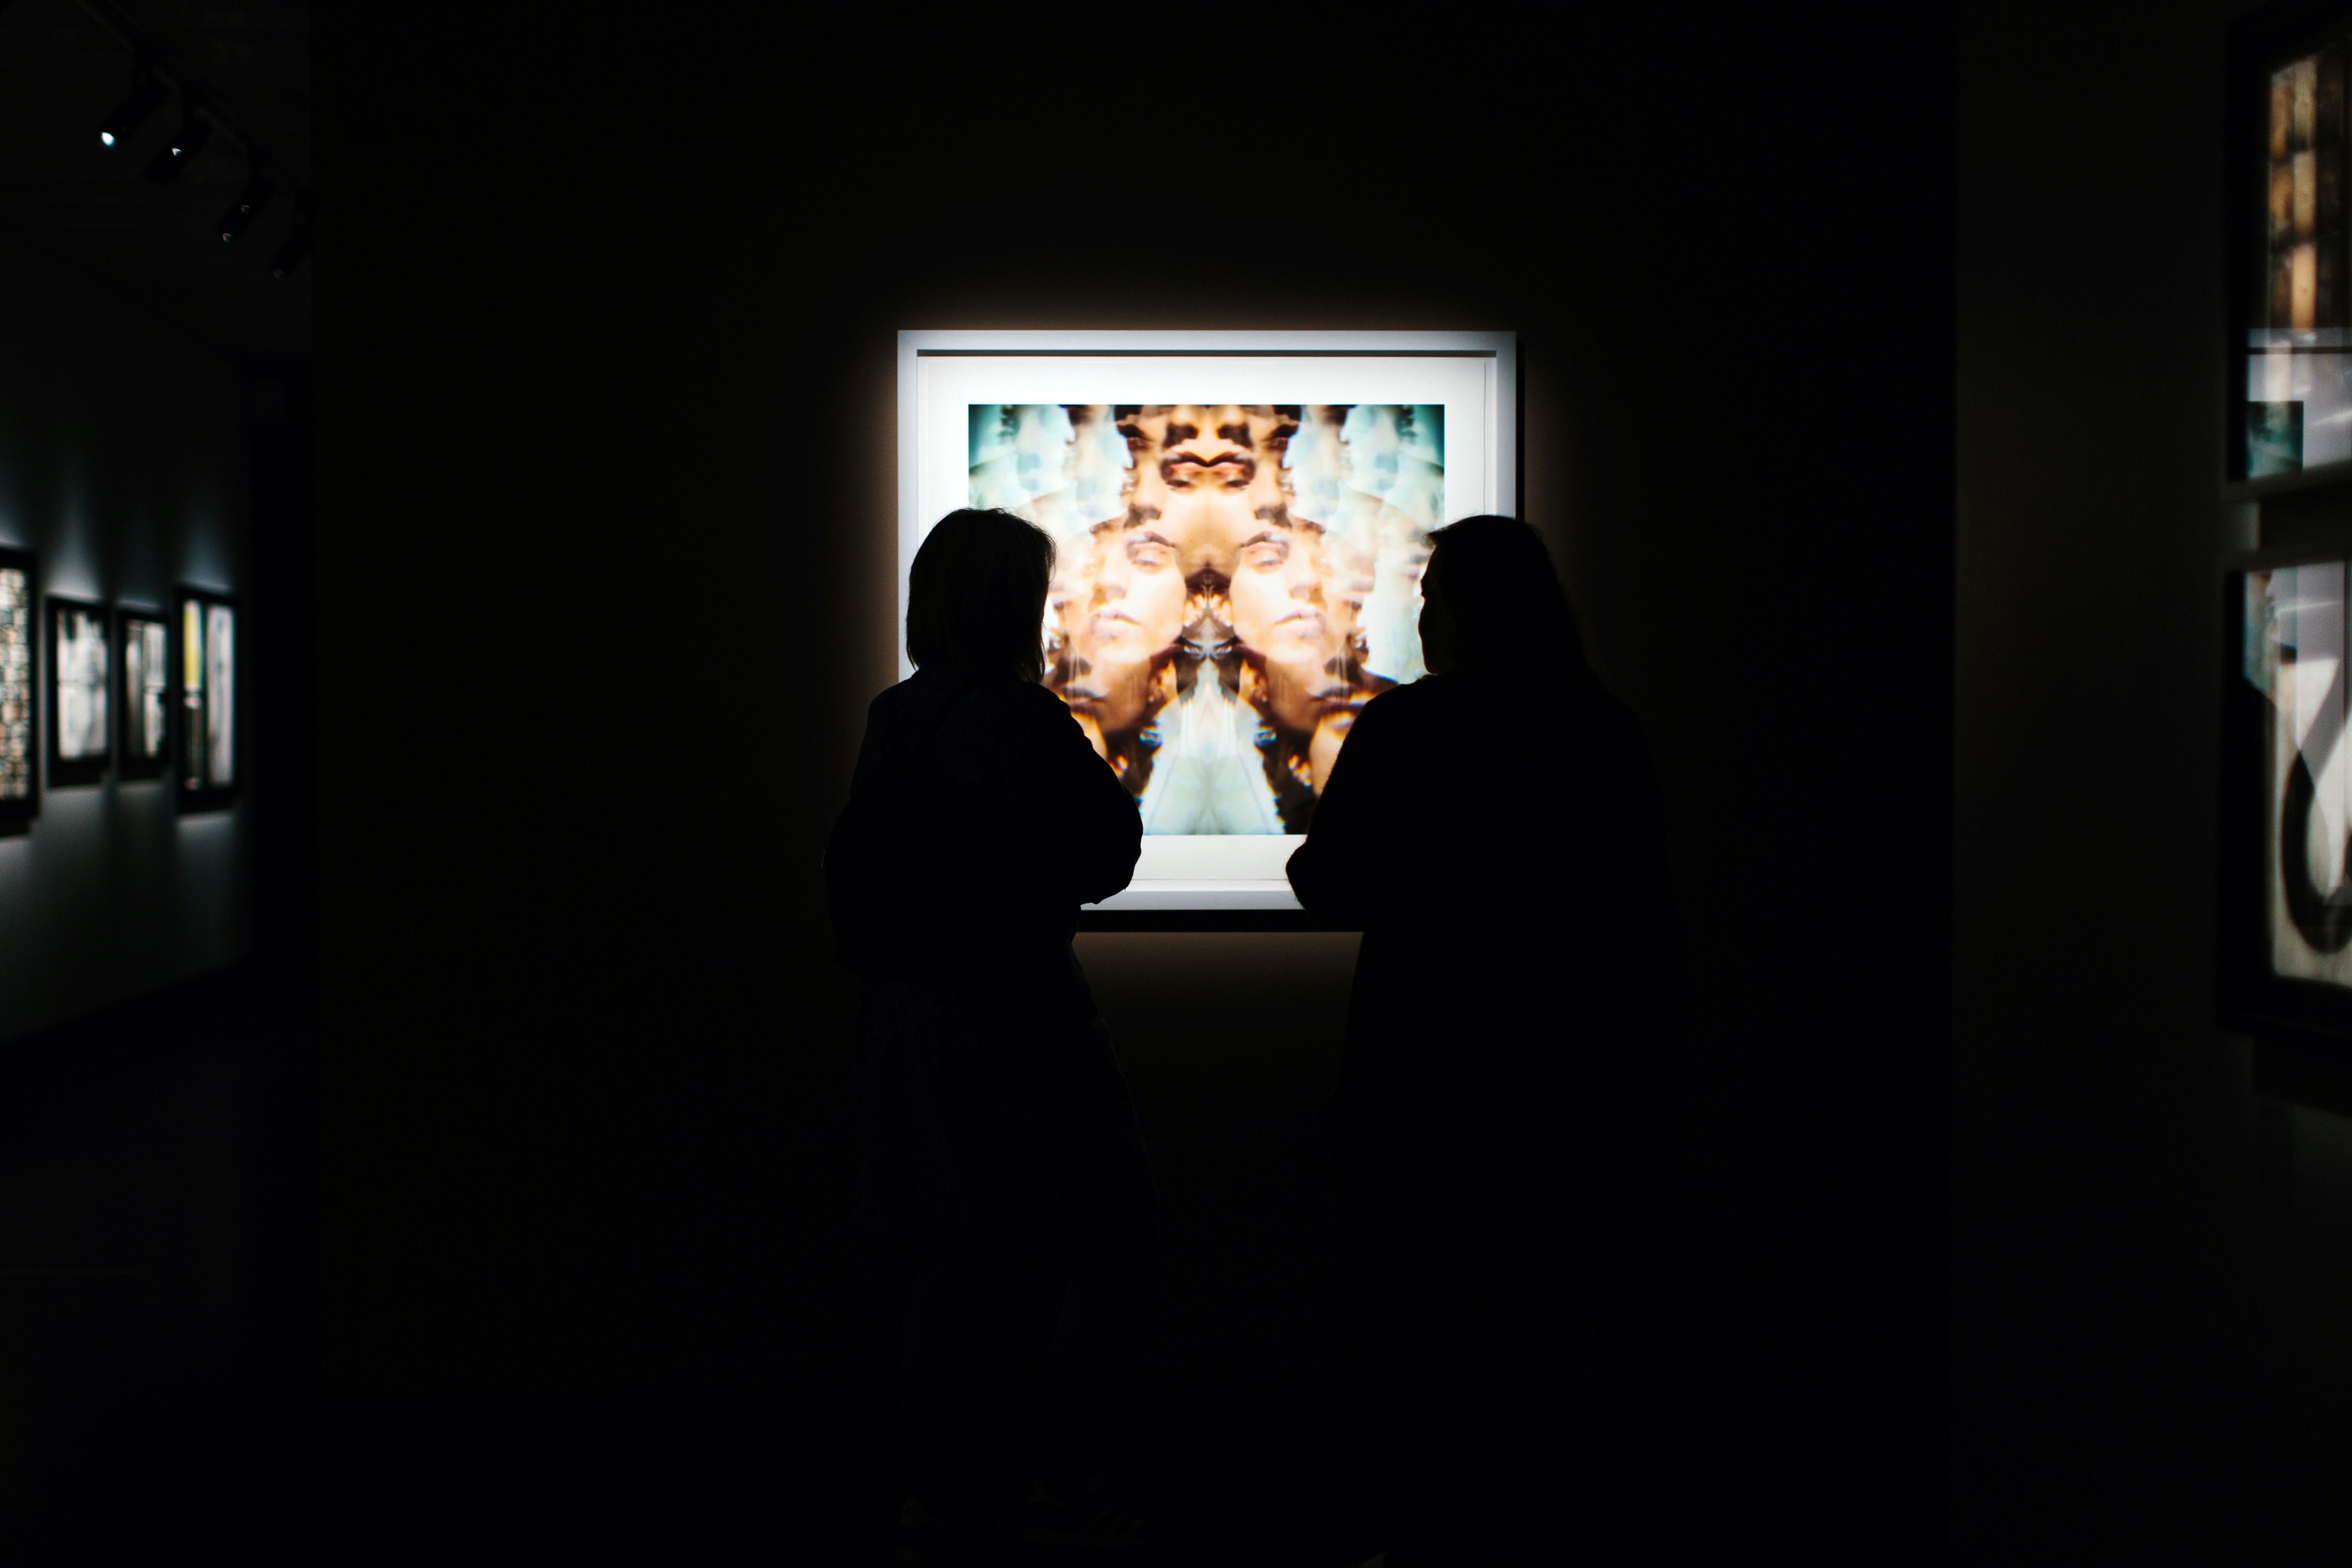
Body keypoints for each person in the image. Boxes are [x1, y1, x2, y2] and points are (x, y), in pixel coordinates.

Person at [1286, 516, 1681, 1568]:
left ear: (1460, 614)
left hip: (1418, 1070)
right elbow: (1646, 914)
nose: (1421, 619)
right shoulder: (1602, 728)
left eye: (1432, 598)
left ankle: (1426, 1530)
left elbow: (1326, 883)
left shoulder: (1408, 728)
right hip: (1567, 1079)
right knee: (1543, 1331)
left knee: (1420, 1327)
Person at [825, 508, 1179, 1560]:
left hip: (909, 1024)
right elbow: (1112, 850)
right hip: (1020, 1017)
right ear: (1014, 605)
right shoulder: (1020, 719)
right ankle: (1051, 1478)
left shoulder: (897, 716)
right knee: (1098, 1234)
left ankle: (941, 1486)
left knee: (948, 1253)